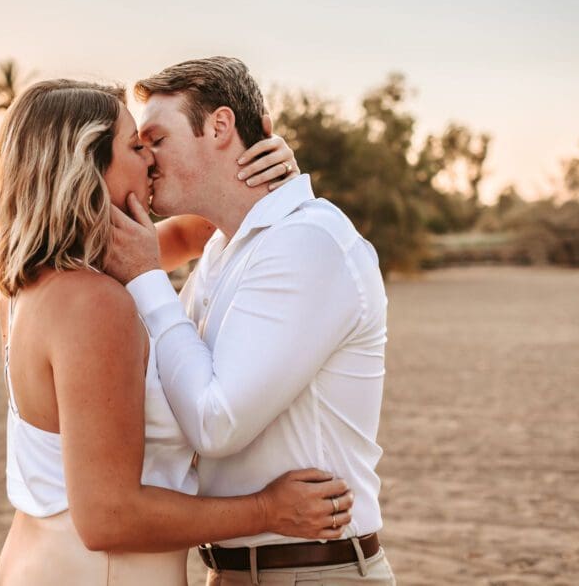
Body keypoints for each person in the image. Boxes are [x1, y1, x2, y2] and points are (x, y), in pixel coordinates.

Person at [0, 79, 354, 585]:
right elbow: (110, 516)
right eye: (136, 147)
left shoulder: (32, 283)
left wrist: (260, 160)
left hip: (37, 561)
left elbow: (194, 230)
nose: (151, 161)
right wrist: (269, 509)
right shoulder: (95, 304)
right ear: (86, 166)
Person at [105, 57, 393, 585]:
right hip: (232, 572)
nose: (146, 158)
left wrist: (149, 278)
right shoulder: (221, 251)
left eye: (156, 139)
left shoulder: (308, 243)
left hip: (314, 572)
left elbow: (217, 423)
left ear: (219, 126)